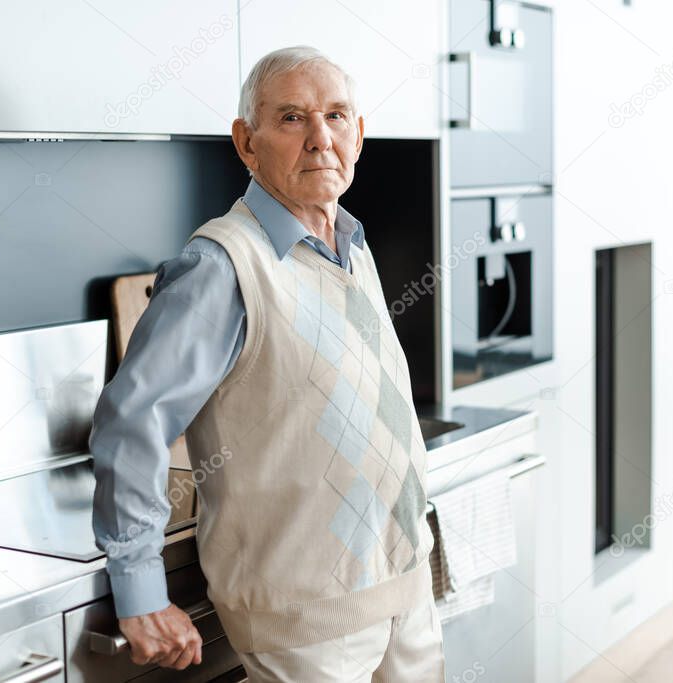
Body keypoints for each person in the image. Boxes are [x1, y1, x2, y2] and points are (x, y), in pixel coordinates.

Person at [89, 45, 445, 682]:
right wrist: (140, 596)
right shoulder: (222, 266)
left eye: (336, 116)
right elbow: (131, 421)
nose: (319, 139)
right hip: (309, 626)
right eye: (291, 118)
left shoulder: (351, 245)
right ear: (246, 143)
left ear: (358, 136)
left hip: (404, 594)